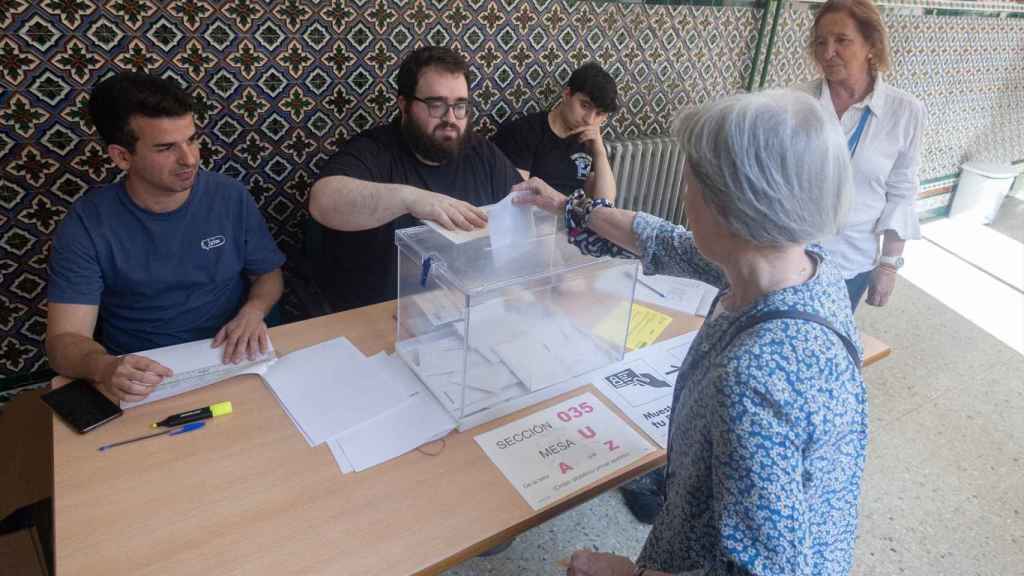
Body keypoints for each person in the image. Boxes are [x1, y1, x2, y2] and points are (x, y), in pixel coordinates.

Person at [513, 91, 867, 575]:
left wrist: (626, 573)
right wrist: (566, 206)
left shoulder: (753, 379)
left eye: (691, 180)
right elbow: (664, 240)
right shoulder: (802, 268)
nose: (684, 194)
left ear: (732, 204)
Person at [46, 72, 285, 404]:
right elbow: (63, 341)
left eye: (192, 140)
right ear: (122, 156)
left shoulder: (230, 196)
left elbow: (268, 275)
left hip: (233, 355)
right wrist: (105, 367)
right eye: (166, 148)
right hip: (146, 372)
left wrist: (253, 311)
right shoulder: (86, 224)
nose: (189, 159)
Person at [308, 46, 523, 312]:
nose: (450, 118)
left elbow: (520, 213)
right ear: (404, 105)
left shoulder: (481, 152)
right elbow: (323, 201)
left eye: (460, 106)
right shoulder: (373, 150)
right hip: (380, 313)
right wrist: (409, 198)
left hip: (466, 307)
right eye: (436, 105)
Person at [802, 0, 925, 310]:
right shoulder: (797, 102)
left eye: (842, 40)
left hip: (851, 262)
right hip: (789, 254)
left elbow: (901, 191)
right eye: (821, 42)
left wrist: (888, 266)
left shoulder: (905, 111)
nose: (828, 53)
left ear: (872, 45)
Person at [492, 62, 619, 200]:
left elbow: (605, 203)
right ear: (567, 94)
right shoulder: (525, 131)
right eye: (584, 105)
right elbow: (517, 198)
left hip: (570, 212)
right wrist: (571, 206)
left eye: (599, 114)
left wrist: (600, 153)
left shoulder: (590, 142)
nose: (589, 120)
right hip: (534, 212)